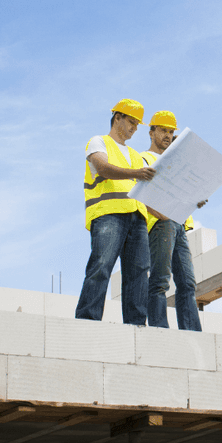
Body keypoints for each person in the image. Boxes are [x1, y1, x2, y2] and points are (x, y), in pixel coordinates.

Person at [76, 99, 155, 325]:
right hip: (109, 213)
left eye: (137, 124)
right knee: (101, 266)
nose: (134, 128)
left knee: (139, 274)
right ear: (117, 117)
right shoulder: (99, 142)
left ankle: (137, 326)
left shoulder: (135, 155)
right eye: (131, 122)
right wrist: (136, 173)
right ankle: (87, 320)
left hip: (137, 218)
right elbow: (102, 167)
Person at [140, 110, 206, 330]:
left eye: (170, 132)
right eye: (163, 130)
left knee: (187, 283)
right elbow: (140, 194)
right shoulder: (144, 159)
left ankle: (192, 332)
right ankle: (159, 328)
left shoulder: (177, 163)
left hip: (179, 224)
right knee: (160, 280)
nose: (167, 135)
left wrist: (196, 199)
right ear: (151, 132)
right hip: (160, 224)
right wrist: (160, 215)